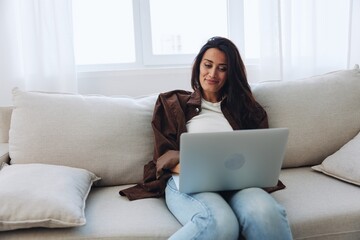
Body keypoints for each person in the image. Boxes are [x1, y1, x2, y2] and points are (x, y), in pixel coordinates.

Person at [120, 36, 293, 240]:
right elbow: (163, 157)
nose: (212, 74)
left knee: (266, 214)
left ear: (231, 73)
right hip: (189, 182)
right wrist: (196, 171)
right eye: (207, 65)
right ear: (198, 66)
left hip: (240, 185)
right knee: (220, 222)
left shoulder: (248, 110)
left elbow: (260, 158)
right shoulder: (173, 103)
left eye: (222, 68)